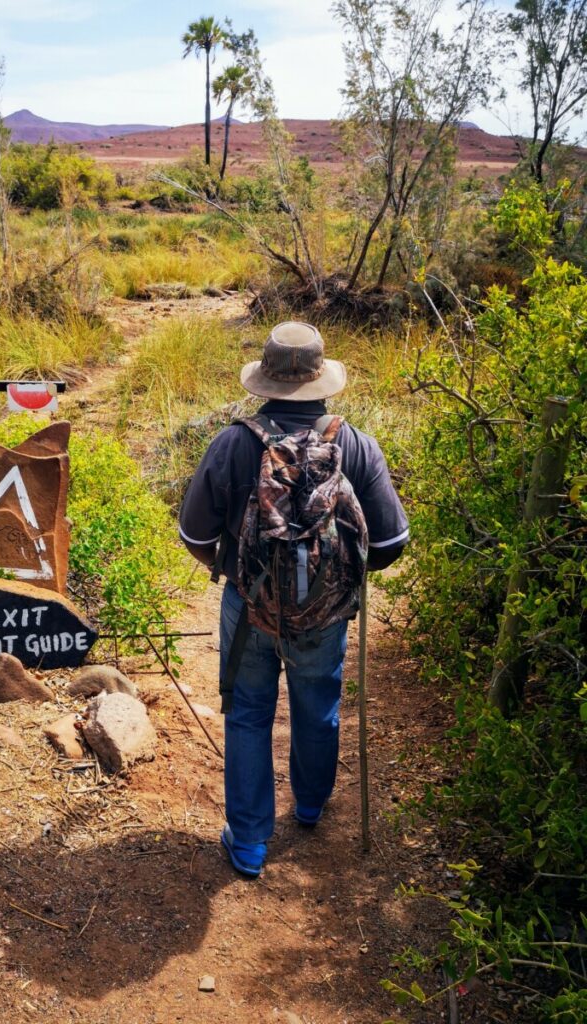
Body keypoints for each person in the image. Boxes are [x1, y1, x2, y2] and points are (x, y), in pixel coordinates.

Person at [178, 321, 409, 877]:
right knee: (318, 704)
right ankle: (309, 805)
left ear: (264, 382)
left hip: (248, 605)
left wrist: (235, 571)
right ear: (322, 382)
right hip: (325, 616)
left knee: (250, 714)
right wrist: (343, 576)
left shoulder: (233, 444)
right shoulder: (354, 445)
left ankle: (251, 842)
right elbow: (392, 542)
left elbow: (193, 534)